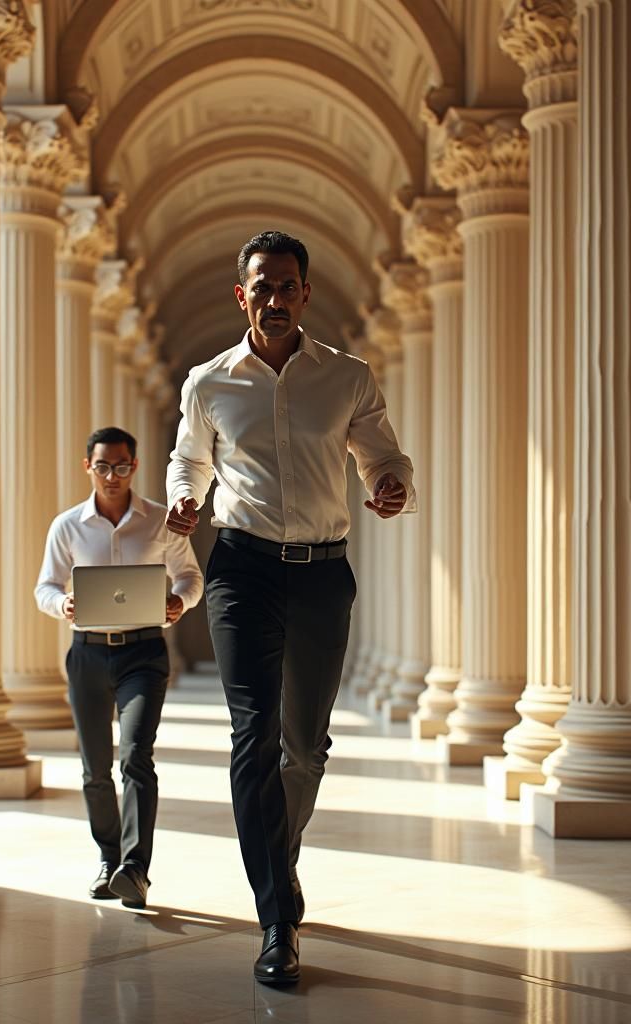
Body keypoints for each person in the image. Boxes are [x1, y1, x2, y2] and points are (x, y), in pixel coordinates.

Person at [165, 230, 414, 984]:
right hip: (242, 568)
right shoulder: (208, 382)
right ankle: (278, 918)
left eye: (286, 287)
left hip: (320, 574)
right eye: (260, 288)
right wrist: (184, 497)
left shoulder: (348, 377)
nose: (274, 300)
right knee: (253, 733)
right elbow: (189, 457)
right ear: (242, 295)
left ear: (306, 293)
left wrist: (390, 484)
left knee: (304, 748)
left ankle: (279, 857)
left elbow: (383, 453)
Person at [35, 426, 203, 909]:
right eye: (104, 466)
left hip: (144, 654)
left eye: (123, 466)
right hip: (87, 653)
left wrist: (180, 601)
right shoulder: (67, 526)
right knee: (94, 768)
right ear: (88, 467)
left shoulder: (159, 521)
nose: (113, 475)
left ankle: (136, 869)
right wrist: (61, 603)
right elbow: (43, 586)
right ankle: (109, 860)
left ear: (135, 466)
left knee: (136, 757)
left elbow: (191, 575)